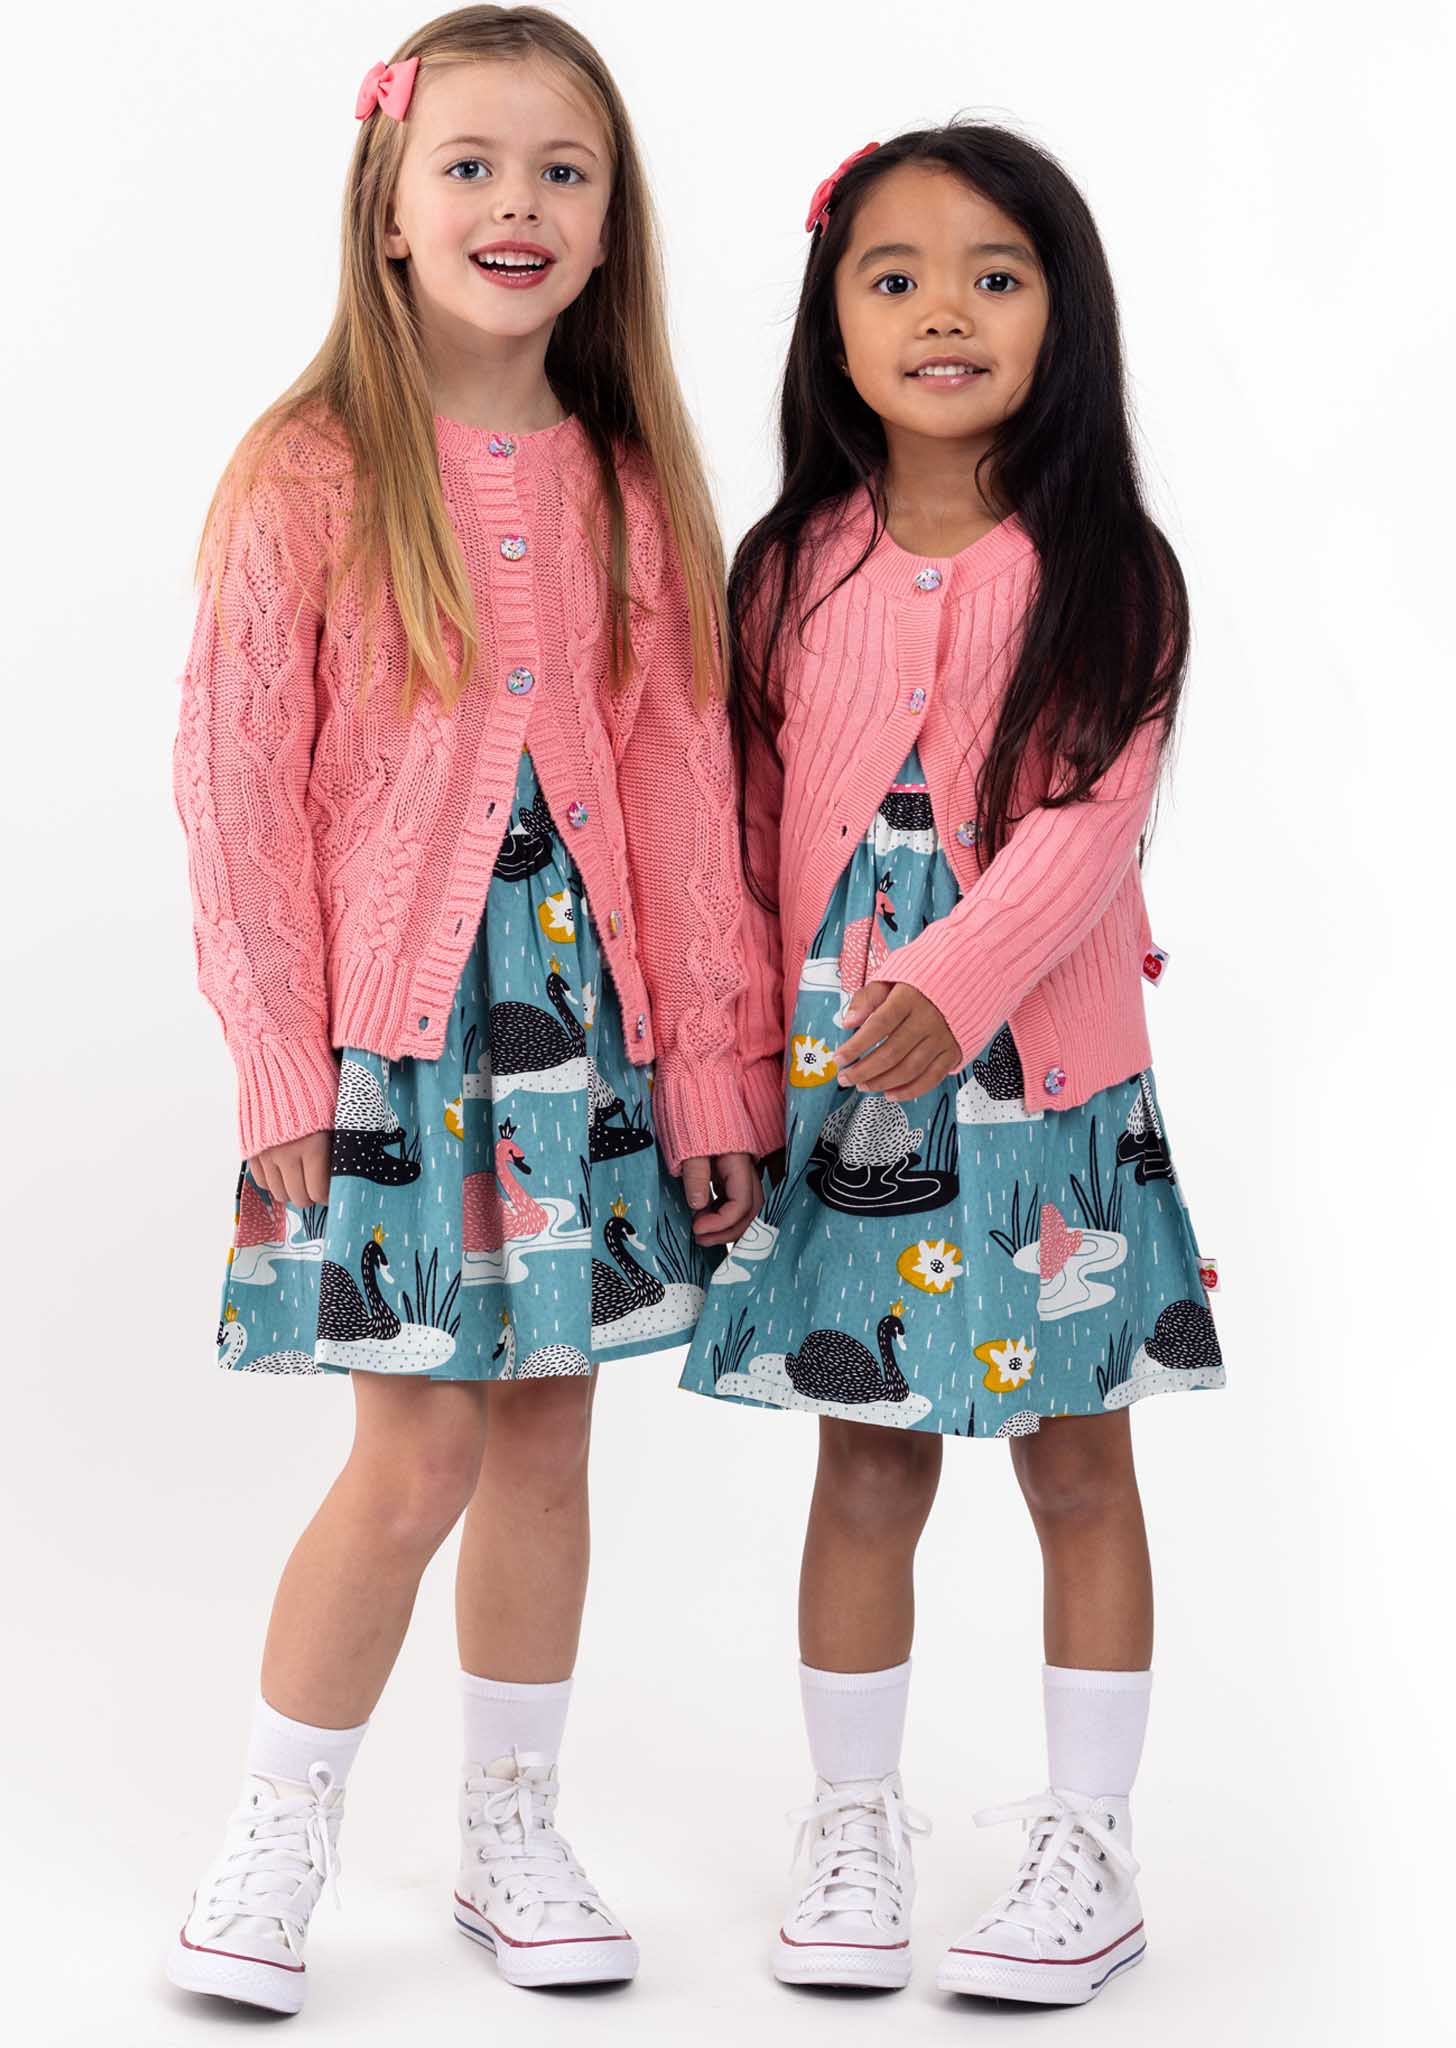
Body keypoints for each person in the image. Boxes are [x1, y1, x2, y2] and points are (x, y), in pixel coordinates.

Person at [166, 7, 763, 2013]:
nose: (519, 202)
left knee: (544, 1453)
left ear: (611, 225)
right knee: (408, 1455)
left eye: (563, 172)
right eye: (478, 166)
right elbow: (235, 791)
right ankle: (278, 1828)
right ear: (394, 202)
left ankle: (514, 1828)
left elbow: (683, 791)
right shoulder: (309, 473)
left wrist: (719, 1069)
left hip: (589, 1045)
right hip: (388, 1049)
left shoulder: (625, 479)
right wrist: (277, 1063)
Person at [679, 123, 1224, 2007]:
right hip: (846, 1097)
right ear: (832, 318)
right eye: (893, 274)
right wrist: (738, 1079)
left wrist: (963, 973)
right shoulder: (783, 571)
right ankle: (855, 1827)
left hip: (1052, 1088)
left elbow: (1094, 817)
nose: (943, 311)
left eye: (995, 273)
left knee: (1079, 1462)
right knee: (865, 1459)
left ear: (1061, 315)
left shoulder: (1110, 569)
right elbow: (741, 849)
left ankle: (1091, 1844)